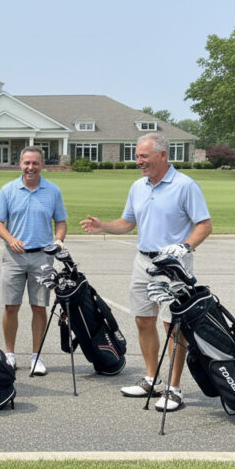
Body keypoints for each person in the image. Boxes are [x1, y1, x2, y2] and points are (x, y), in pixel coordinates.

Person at [79, 132, 212, 411]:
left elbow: (204, 225)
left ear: (163, 155)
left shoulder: (185, 186)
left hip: (173, 266)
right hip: (143, 262)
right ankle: (153, 379)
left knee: (172, 327)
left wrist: (184, 247)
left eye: (143, 156)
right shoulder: (138, 186)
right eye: (137, 156)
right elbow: (127, 223)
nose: (139, 161)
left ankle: (174, 389)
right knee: (143, 320)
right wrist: (103, 226)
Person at [0, 146, 68, 376]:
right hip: (14, 256)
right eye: (27, 163)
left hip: (42, 257)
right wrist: (10, 238)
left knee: (39, 307)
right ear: (20, 164)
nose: (31, 167)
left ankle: (37, 356)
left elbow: (61, 222)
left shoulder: (53, 191)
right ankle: (9, 354)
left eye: (35, 163)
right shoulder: (7, 190)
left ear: (42, 165)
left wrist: (58, 239)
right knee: (11, 306)